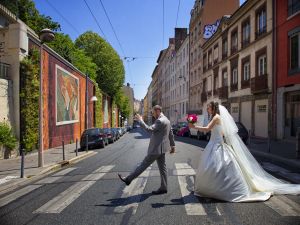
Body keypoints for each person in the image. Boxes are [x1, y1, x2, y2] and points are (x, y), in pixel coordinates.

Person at [188, 101, 300, 202]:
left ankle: (218, 188)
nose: (207, 109)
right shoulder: (216, 117)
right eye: (207, 108)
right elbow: (221, 133)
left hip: (216, 145)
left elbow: (207, 129)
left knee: (216, 167)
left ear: (213, 108)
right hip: (215, 144)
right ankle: (214, 187)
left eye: (209, 108)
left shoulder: (216, 117)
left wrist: (194, 126)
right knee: (216, 167)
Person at [118, 105, 176, 195]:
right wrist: (173, 146)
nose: (152, 114)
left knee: (143, 165)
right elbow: (171, 133)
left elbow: (149, 129)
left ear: (157, 111)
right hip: (162, 149)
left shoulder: (160, 121)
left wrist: (140, 120)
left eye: (153, 112)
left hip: (156, 149)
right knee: (163, 169)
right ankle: (164, 187)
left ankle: (128, 179)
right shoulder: (167, 120)